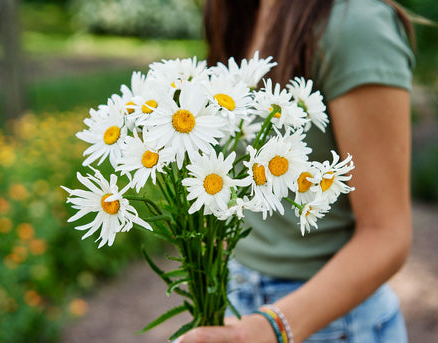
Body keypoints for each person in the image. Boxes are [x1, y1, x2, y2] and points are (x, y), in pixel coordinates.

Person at [176, 0, 415, 342]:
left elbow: (387, 234)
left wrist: (269, 328)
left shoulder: (355, 24)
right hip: (237, 297)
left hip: (329, 323)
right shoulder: (239, 12)